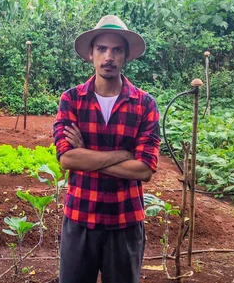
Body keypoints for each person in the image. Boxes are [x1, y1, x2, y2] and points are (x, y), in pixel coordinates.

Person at [53, 15, 161, 283]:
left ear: (126, 56)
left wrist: (87, 154)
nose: (108, 57)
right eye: (101, 49)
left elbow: (145, 169)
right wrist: (125, 156)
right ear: (91, 54)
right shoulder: (71, 99)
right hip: (80, 217)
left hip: (125, 221)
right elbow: (67, 158)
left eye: (117, 50)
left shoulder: (144, 104)